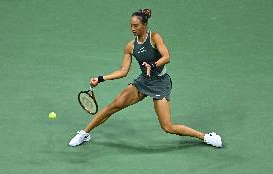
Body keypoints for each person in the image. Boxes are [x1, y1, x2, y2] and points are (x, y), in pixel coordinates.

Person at [69, 9, 222, 148]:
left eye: (136, 25)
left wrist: (153, 65)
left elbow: (167, 57)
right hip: (143, 82)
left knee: (167, 127)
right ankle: (84, 133)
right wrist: (100, 78)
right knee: (113, 106)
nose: (132, 29)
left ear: (144, 25)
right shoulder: (130, 46)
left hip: (160, 83)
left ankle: (206, 137)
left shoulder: (154, 37)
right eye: (131, 26)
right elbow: (123, 71)